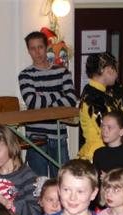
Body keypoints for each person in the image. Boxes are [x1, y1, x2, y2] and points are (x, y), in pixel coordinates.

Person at [19, 30, 77, 178]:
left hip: (58, 135)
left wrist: (43, 98)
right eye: (33, 48)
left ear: (46, 48)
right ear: (28, 51)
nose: (37, 52)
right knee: (40, 184)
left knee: (63, 180)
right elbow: (33, 103)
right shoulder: (25, 75)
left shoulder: (63, 72)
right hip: (36, 138)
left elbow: (71, 99)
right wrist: (59, 94)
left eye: (40, 47)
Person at [78, 53, 121, 161]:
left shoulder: (97, 92)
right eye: (115, 69)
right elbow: (106, 128)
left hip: (103, 151)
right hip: (97, 155)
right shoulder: (93, 97)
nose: (116, 74)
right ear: (108, 70)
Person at [93, 110, 123, 182]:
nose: (104, 131)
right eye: (103, 127)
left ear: (122, 131)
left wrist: (110, 178)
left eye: (109, 127)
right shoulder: (98, 153)